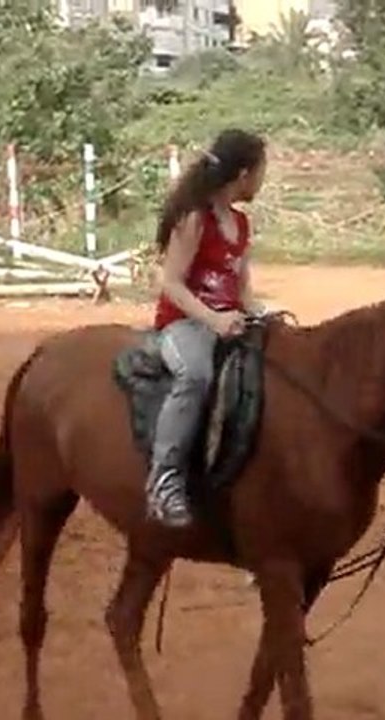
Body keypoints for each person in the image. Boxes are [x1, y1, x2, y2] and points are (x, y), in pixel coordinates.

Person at [145, 128, 268, 528]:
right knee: (195, 376)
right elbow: (172, 283)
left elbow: (242, 286)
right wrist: (214, 319)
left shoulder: (240, 223)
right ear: (244, 173)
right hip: (184, 325)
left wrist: (259, 314)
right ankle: (164, 481)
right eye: (261, 170)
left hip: (229, 322)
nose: (263, 179)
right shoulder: (195, 218)